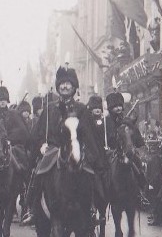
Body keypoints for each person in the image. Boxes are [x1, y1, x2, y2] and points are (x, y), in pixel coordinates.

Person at [22, 67, 105, 224]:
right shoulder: (49, 108)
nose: (65, 86)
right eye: (62, 84)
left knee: (90, 174)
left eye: (68, 84)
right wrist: (41, 145)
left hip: (76, 149)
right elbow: (37, 133)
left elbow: (88, 134)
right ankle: (33, 209)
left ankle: (92, 210)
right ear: (58, 86)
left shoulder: (82, 109)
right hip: (53, 148)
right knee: (39, 171)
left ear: (74, 87)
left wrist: (91, 153)